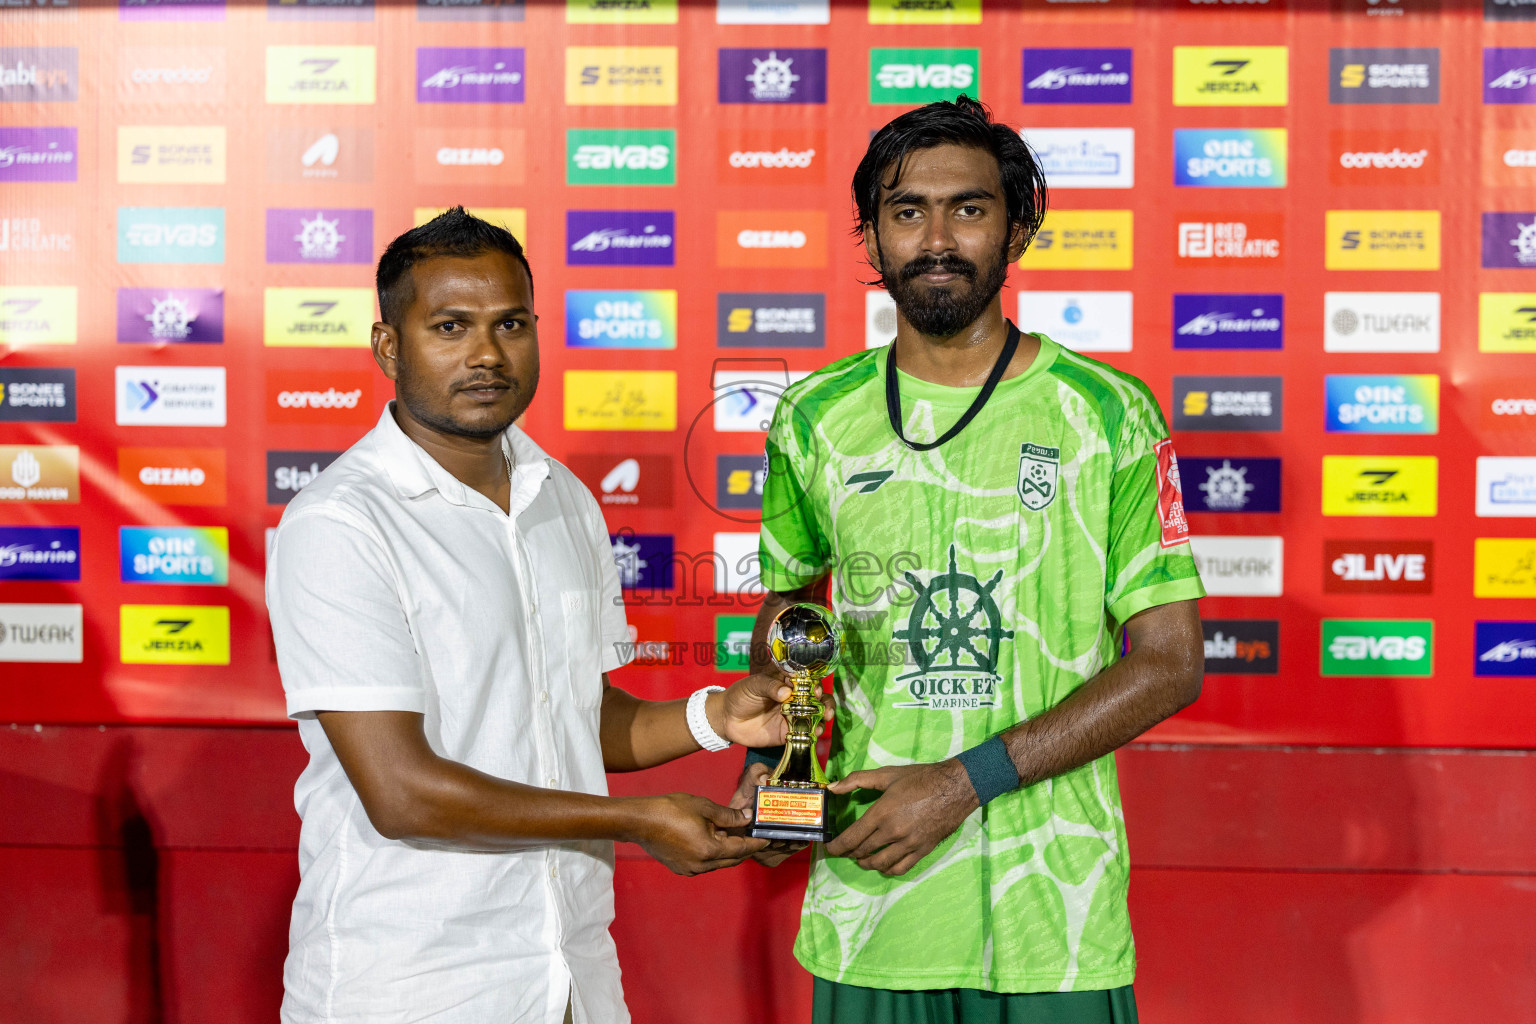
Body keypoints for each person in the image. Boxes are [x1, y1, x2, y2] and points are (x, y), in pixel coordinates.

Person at [731, 97, 1207, 1024]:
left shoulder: (1107, 411)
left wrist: (961, 782)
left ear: (1018, 227)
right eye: (907, 211)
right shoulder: (813, 416)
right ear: (870, 235)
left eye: (970, 208)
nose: (937, 238)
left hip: (1052, 919)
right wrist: (781, 764)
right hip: (874, 900)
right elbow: (791, 619)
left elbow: (1169, 662)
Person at [266, 208, 794, 1024]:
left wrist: (716, 716)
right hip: (411, 987)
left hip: (572, 975)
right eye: (451, 327)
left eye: (510, 324)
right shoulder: (342, 522)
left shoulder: (562, 499)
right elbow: (402, 792)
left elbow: (576, 720)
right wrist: (637, 823)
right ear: (388, 348)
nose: (486, 354)